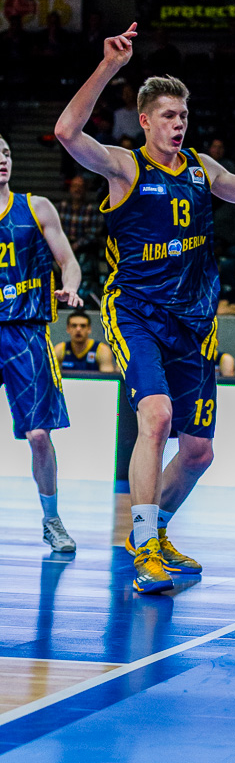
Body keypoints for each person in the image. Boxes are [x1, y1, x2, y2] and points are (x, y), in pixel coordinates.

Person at [55, 22, 235, 594]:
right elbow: (67, 130)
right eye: (168, 116)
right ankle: (142, 549)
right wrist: (110, 65)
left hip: (194, 322)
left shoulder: (200, 170)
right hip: (136, 310)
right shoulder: (124, 166)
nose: (178, 124)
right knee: (157, 419)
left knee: (198, 452)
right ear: (145, 121)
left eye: (183, 116)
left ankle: (156, 533)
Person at [0, 133, 83, 552]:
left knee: (38, 436)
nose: (2, 160)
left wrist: (69, 288)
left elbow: (69, 263)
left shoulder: (35, 207)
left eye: (6, 153)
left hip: (26, 330)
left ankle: (51, 520)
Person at [57, 175, 103, 302]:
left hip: (85, 252)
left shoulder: (92, 209)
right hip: (63, 249)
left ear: (85, 190)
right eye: (75, 186)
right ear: (70, 188)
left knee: (87, 272)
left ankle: (85, 302)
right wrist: (65, 246)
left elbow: (94, 233)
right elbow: (56, 232)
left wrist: (76, 245)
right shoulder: (61, 207)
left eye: (80, 187)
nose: (77, 190)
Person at [54, 309, 116, 373]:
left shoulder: (102, 350)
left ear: (89, 329)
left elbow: (108, 379)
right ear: (68, 329)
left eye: (83, 326)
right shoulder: (60, 349)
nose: (78, 329)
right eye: (74, 326)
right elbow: (50, 375)